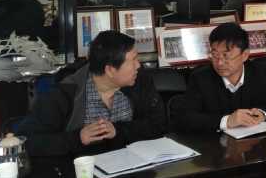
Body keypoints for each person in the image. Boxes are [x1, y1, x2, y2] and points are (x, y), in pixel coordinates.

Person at [16, 30, 165, 156]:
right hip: (78, 173)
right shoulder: (63, 94)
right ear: (110, 70)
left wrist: (119, 131)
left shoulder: (140, 81)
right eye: (133, 60)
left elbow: (159, 124)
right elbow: (26, 141)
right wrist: (78, 138)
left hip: (131, 168)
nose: (138, 65)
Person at [179, 22, 266, 133]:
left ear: (244, 55)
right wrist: (227, 121)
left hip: (255, 140)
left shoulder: (261, 73)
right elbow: (185, 118)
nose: (220, 62)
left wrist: (263, 113)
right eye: (215, 55)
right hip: (215, 142)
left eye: (226, 56)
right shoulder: (200, 78)